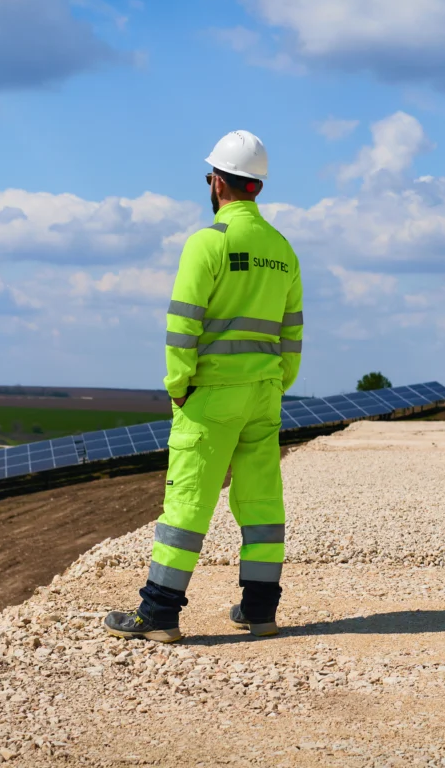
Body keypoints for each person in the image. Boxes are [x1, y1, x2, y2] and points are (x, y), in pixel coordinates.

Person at [104, 130, 303, 642]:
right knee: (262, 505)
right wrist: (277, 383)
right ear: (257, 186)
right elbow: (292, 333)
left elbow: (182, 327)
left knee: (187, 505)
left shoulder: (207, 243)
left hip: (211, 396)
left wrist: (178, 387)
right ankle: (260, 612)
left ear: (216, 182)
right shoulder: (283, 251)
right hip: (264, 394)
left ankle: (160, 614)